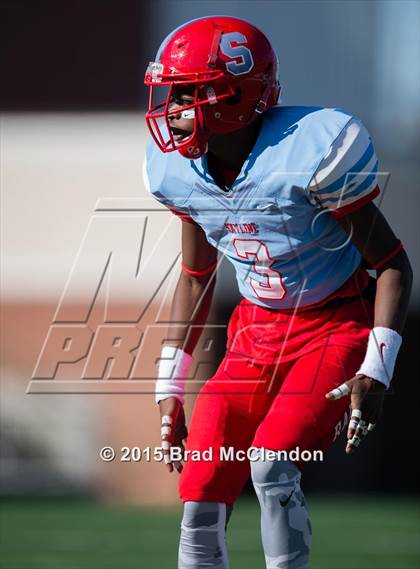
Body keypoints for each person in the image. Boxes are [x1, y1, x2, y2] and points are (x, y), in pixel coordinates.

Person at [142, 15, 412, 569]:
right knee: (201, 482)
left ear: (233, 98)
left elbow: (391, 263)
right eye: (171, 93)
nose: (173, 108)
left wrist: (377, 368)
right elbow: (196, 275)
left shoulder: (308, 152)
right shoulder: (181, 170)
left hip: (333, 328)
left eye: (188, 94)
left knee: (271, 463)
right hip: (254, 332)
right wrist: (169, 381)